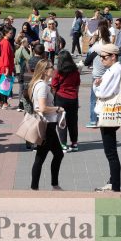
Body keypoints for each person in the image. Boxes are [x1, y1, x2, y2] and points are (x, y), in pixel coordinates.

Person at [94, 44, 121, 192]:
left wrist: (96, 86)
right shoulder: (115, 69)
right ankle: (113, 181)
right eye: (100, 57)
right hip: (110, 111)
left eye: (104, 57)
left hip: (109, 112)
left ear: (113, 57)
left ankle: (115, 185)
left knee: (110, 152)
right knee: (111, 150)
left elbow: (103, 93)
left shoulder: (114, 70)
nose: (101, 60)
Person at [29, 60, 65, 190]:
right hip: (47, 125)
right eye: (51, 67)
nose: (53, 69)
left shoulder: (40, 84)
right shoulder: (42, 86)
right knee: (40, 157)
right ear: (45, 70)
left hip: (47, 124)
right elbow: (43, 108)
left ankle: (54, 185)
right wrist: (57, 108)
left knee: (58, 154)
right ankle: (35, 188)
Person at [52, 51, 80, 152]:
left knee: (61, 120)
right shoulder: (75, 71)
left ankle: (63, 144)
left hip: (61, 97)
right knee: (73, 122)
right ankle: (74, 143)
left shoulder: (58, 71)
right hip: (73, 98)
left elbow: (54, 85)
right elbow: (77, 84)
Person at [85, 21, 111, 127]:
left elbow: (87, 61)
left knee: (93, 99)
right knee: (105, 98)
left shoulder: (96, 47)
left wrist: (93, 40)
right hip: (107, 75)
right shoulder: (110, 45)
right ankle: (104, 119)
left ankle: (93, 120)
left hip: (97, 75)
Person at [0, 27, 15, 109]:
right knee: (5, 85)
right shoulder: (6, 43)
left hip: (0, 65)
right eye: (10, 33)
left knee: (0, 84)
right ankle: (5, 102)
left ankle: (0, 102)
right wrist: (6, 68)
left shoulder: (1, 42)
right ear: (6, 33)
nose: (12, 34)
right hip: (5, 66)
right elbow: (5, 56)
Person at [14, 37, 32, 111]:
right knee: (23, 88)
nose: (28, 44)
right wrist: (31, 51)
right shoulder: (22, 49)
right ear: (23, 42)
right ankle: (21, 105)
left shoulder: (17, 49)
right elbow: (30, 58)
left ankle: (20, 104)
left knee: (21, 87)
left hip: (17, 69)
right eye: (27, 42)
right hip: (22, 70)